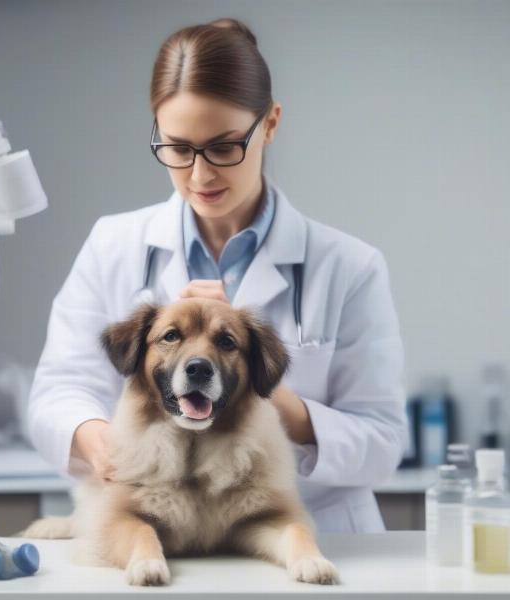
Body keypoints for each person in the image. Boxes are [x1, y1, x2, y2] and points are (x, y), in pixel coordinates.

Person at [27, 18, 408, 533]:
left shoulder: (349, 266)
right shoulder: (114, 245)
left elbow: (383, 445)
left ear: (270, 124)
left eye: (225, 146)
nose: (200, 175)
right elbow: (58, 392)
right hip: (165, 536)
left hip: (310, 537)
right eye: (179, 149)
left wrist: (267, 390)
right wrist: (101, 444)